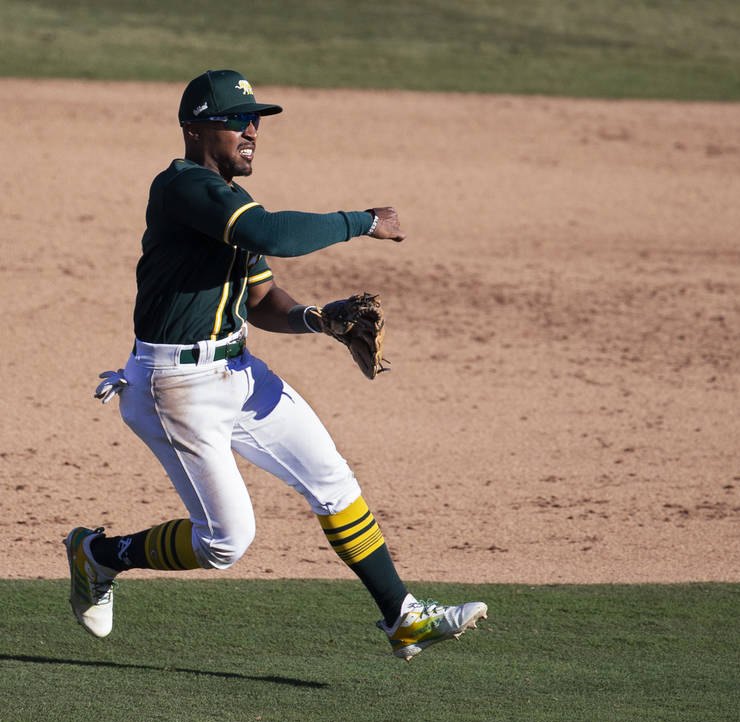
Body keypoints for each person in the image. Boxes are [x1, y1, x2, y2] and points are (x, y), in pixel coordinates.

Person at [64, 69, 487, 661]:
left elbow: (262, 300)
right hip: (174, 387)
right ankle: (99, 556)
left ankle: (403, 617)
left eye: (256, 119)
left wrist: (320, 320)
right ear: (195, 129)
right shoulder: (182, 188)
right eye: (237, 119)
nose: (252, 129)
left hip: (238, 372)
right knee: (226, 542)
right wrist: (361, 221)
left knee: (332, 480)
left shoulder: (230, 205)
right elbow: (270, 232)